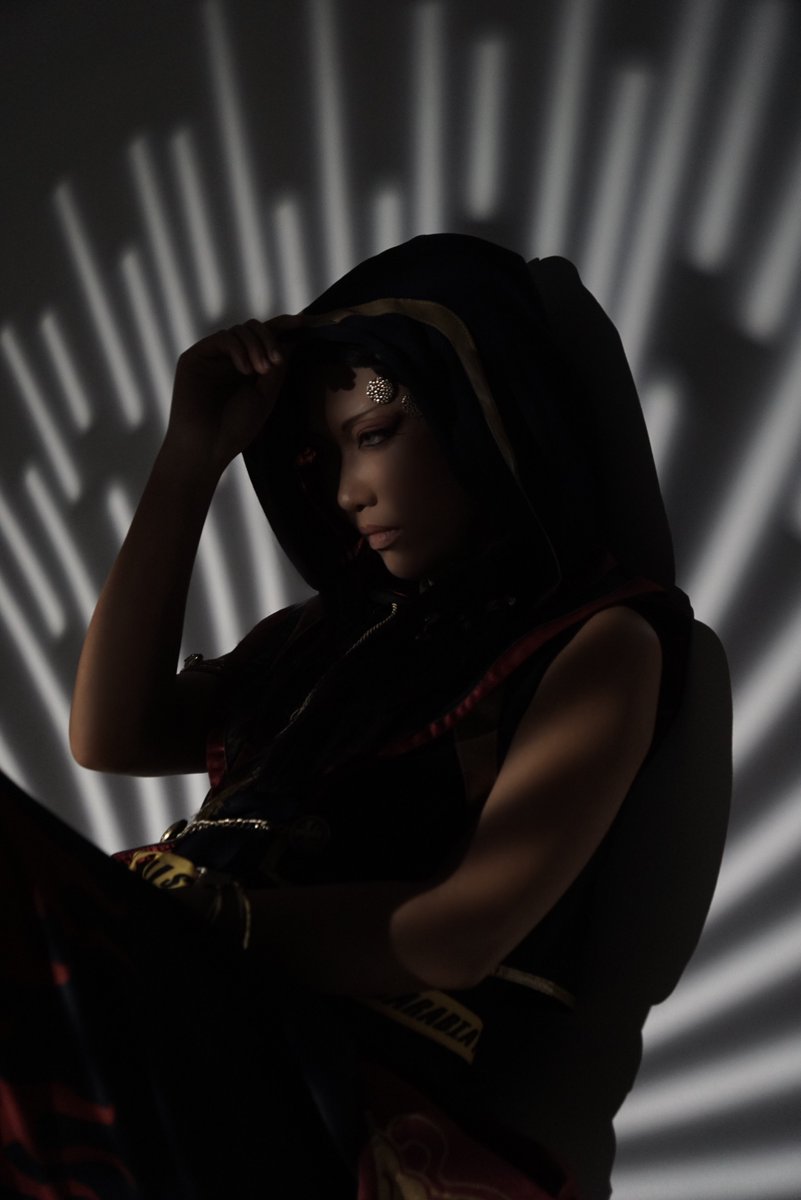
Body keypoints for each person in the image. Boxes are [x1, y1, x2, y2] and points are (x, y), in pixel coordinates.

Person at [1, 234, 699, 1199]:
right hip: (182, 1010)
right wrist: (190, 456)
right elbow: (110, 736)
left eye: (373, 434)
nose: (344, 493)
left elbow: (460, 932)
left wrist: (195, 920)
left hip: (336, 1089)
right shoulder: (319, 638)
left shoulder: (600, 639)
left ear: (477, 410)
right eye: (322, 454)